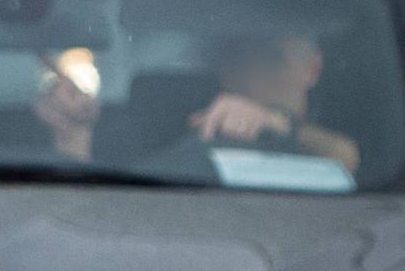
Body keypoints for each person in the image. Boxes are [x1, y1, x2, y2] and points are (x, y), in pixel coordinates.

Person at [33, 29, 357, 176]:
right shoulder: (173, 125)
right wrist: (73, 132)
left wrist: (276, 124)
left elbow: (349, 160)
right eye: (235, 53)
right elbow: (97, 203)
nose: (248, 68)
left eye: (272, 56)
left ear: (313, 69)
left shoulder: (360, 127)